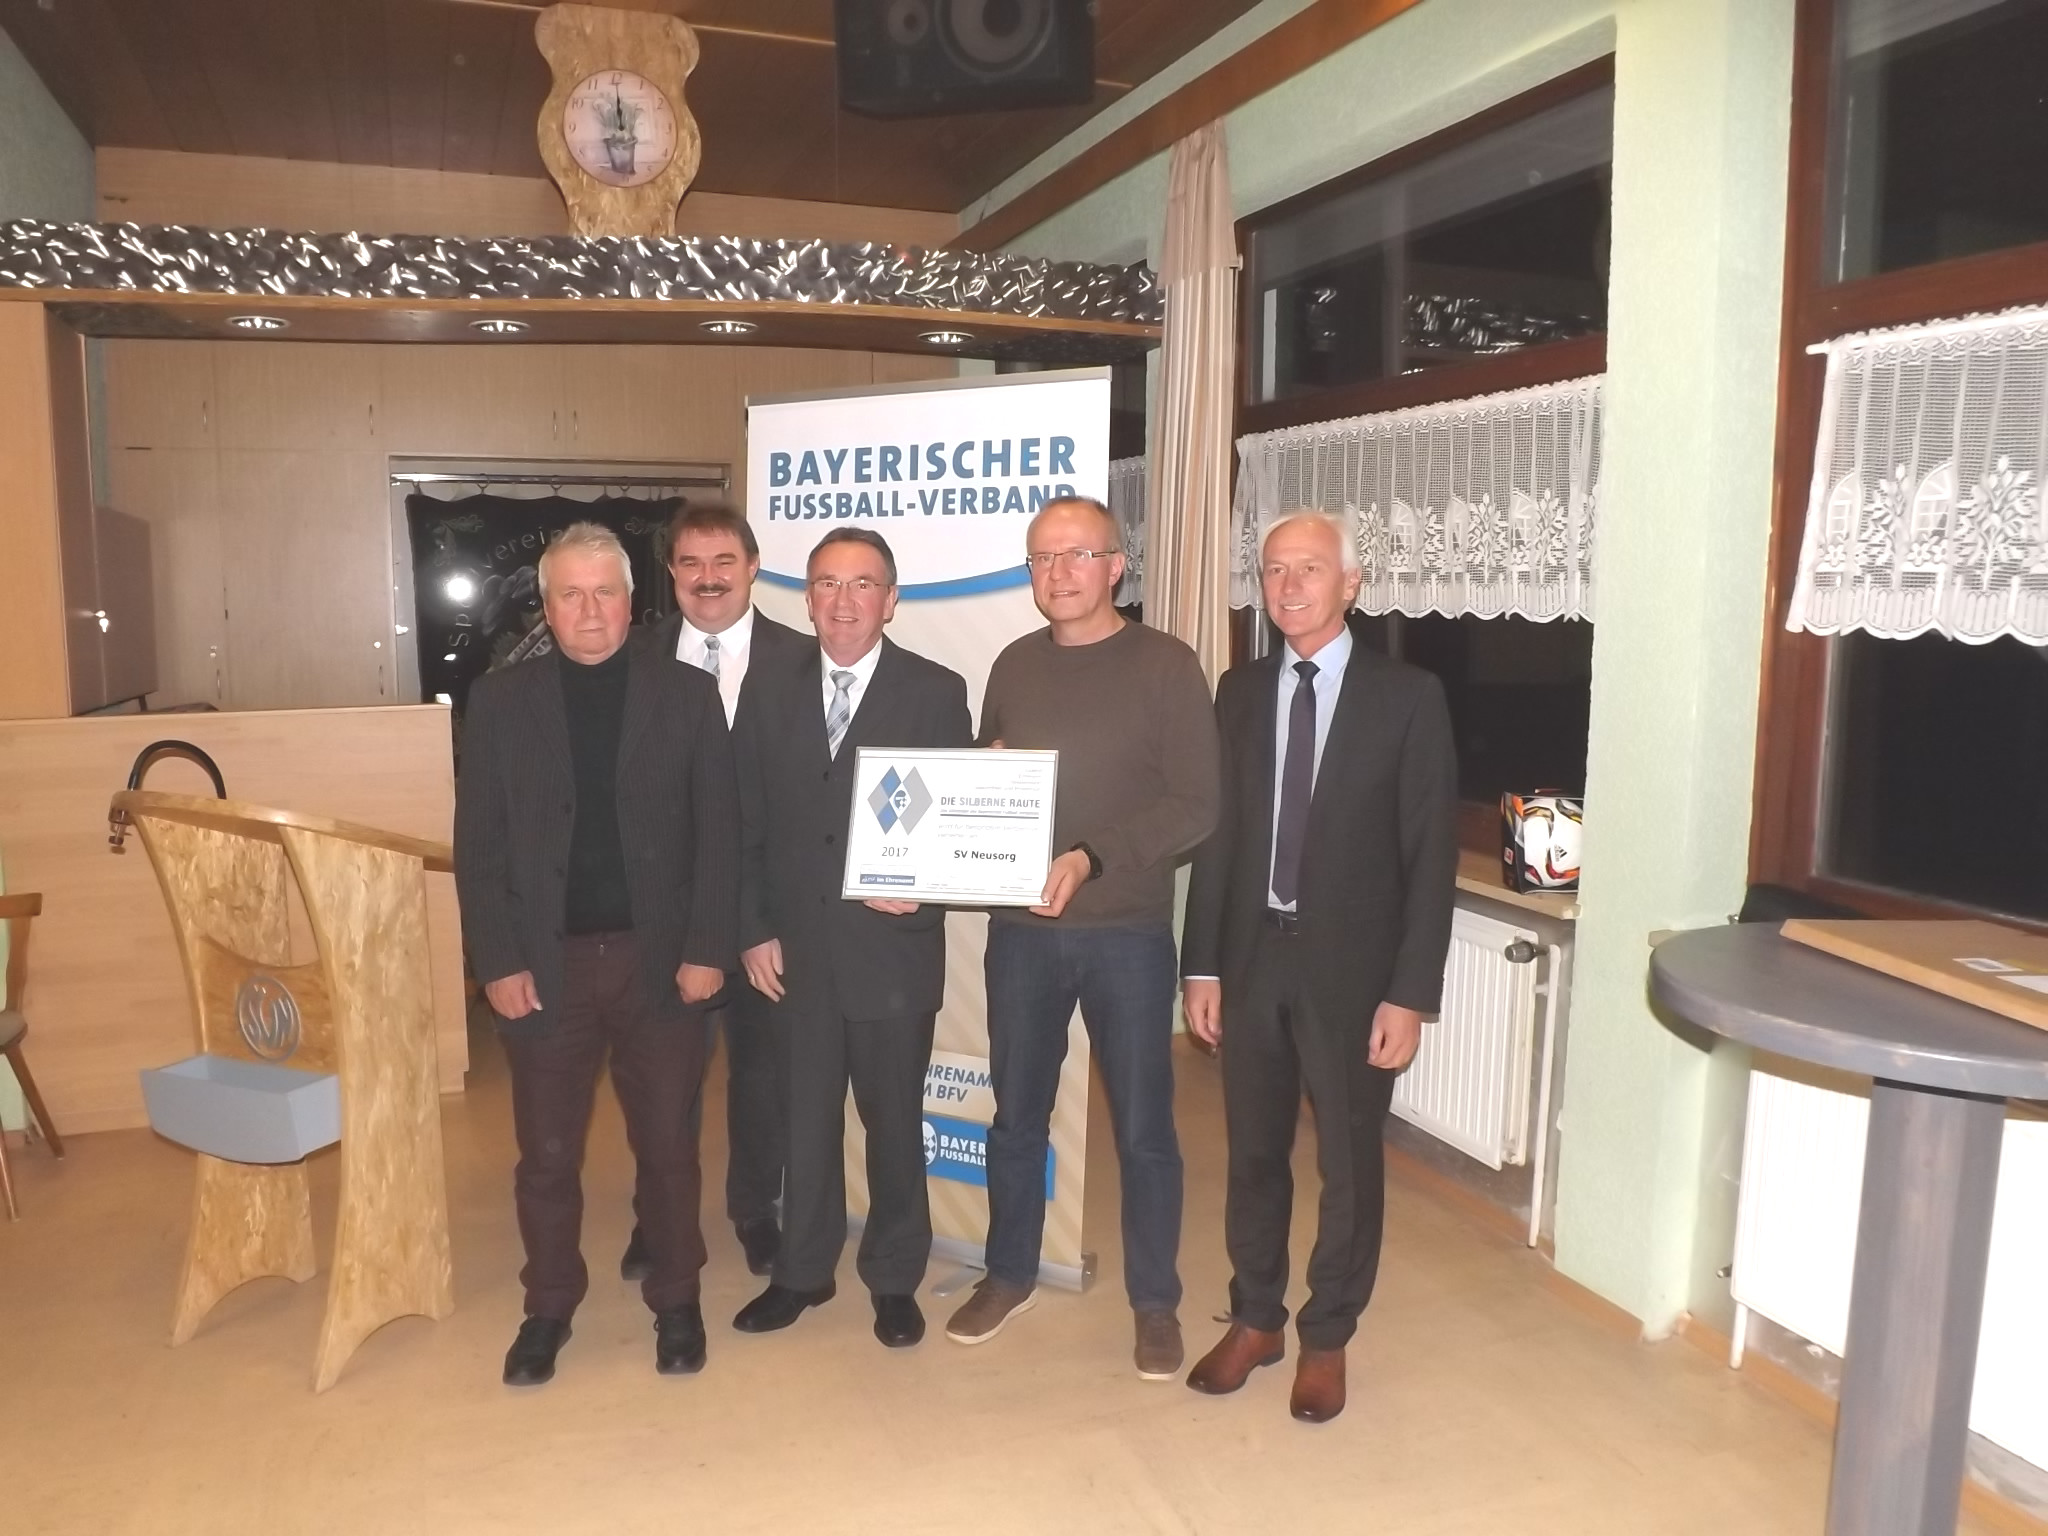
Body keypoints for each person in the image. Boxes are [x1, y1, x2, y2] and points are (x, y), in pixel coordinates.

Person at [1180, 509, 1457, 1423]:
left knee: (1347, 1161)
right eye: (1273, 570)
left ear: (1351, 583)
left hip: (1353, 972)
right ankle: (1256, 1317)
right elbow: (1219, 840)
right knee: (1254, 1153)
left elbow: (1430, 857)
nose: (1289, 585)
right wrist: (1202, 965)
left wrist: (1410, 994)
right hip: (1253, 958)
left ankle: (1327, 1333)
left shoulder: (1407, 697)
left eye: (1308, 567)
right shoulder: (1239, 691)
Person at [454, 521, 737, 1386]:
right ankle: (548, 1305)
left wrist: (707, 949)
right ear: (546, 607)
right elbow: (480, 846)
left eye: (604, 592)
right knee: (546, 1156)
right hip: (547, 967)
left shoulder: (687, 695)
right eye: (570, 594)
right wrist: (497, 963)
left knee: (669, 1147)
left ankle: (677, 1298)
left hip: (663, 962)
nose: (588, 610)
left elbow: (718, 835)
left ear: (630, 601)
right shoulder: (500, 702)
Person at [944, 495, 1220, 1381]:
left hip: (1126, 935)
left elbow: (1197, 805)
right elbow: (991, 786)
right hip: (1020, 934)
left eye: (1077, 555)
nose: (1058, 573)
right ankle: (1009, 1273)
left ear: (1116, 566)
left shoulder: (1167, 665)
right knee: (1016, 1117)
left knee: (1144, 1129)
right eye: (1041, 559)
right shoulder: (1013, 664)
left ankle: (1156, 1302)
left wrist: (1091, 857)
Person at [730, 528, 972, 1349]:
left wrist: (926, 892)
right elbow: (745, 818)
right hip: (793, 952)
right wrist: (752, 929)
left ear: (890, 600)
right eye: (827, 583)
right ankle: (802, 1272)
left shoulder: (935, 691)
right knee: (804, 1122)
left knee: (893, 1122)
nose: (843, 600)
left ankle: (894, 1279)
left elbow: (954, 827)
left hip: (891, 955)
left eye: (862, 584)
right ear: (807, 598)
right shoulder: (768, 686)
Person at [618, 501, 810, 1284]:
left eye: (724, 561)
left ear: (753, 567)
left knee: (763, 1082)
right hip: (666, 919)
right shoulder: (632, 657)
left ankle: (755, 1211)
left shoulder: (803, 661)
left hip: (770, 916)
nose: (708, 578)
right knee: (662, 1086)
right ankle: (656, 1218)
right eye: (691, 563)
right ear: (671, 573)